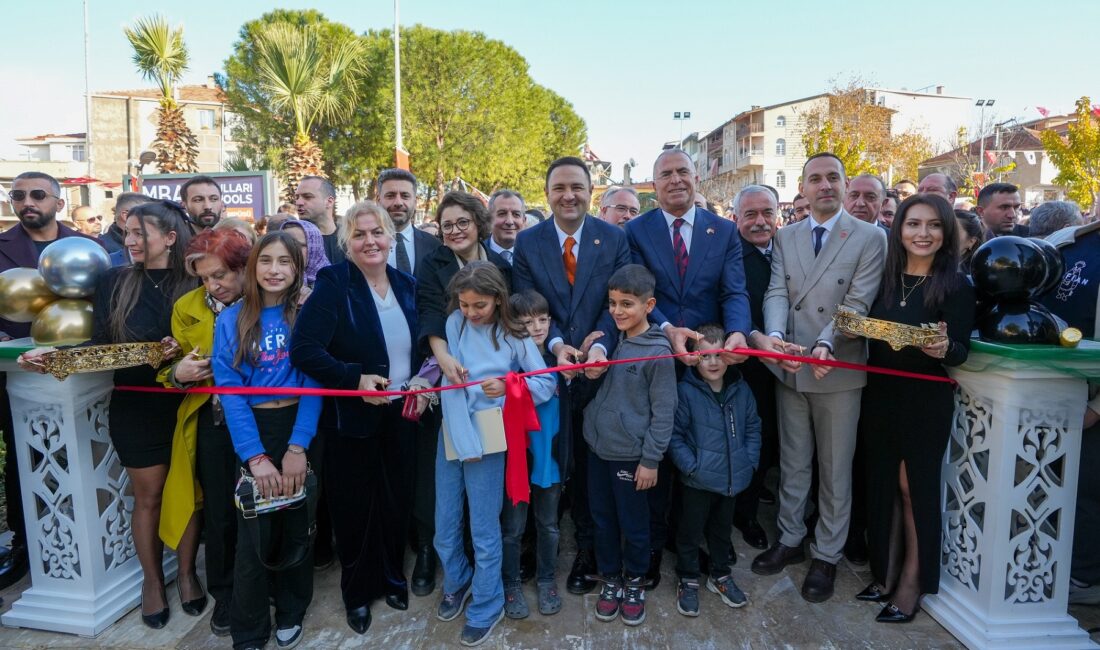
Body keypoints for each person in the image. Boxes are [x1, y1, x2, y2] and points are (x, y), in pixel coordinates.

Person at [20, 199, 199, 626]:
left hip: (188, 403)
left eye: (140, 233)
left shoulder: (195, 281)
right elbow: (101, 343)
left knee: (190, 494)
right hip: (135, 405)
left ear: (169, 238)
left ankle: (188, 573)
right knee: (148, 497)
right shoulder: (115, 281)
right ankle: (152, 582)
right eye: (127, 232)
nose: (129, 241)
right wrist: (55, 356)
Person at [751, 152, 887, 603]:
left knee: (834, 468)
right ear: (803, 188)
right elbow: (776, 291)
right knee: (793, 462)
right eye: (816, 179)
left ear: (845, 185)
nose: (825, 185)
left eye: (833, 178)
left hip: (837, 368)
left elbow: (858, 303)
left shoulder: (871, 237)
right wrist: (774, 338)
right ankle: (790, 538)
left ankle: (827, 553)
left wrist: (826, 344)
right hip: (790, 367)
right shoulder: (786, 234)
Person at [290, 201, 421, 635]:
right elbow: (304, 349)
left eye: (377, 232)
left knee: (395, 500)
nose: (370, 241)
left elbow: (421, 345)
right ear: (347, 242)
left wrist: (423, 382)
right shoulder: (335, 282)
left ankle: (393, 577)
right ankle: (358, 592)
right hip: (351, 418)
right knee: (354, 506)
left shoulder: (406, 284)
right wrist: (354, 378)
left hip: (402, 413)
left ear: (390, 238)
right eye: (360, 234)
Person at [625, 148, 751, 586]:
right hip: (658, 355)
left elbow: (734, 291)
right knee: (658, 454)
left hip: (708, 360)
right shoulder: (636, 230)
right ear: (653, 183)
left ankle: (702, 541)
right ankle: (656, 543)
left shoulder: (724, 230)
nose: (675, 180)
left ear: (697, 178)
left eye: (683, 171)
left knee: (704, 451)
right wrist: (665, 328)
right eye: (666, 174)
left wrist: (738, 333)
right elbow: (637, 291)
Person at [512, 156, 632, 596]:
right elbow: (528, 303)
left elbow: (617, 300)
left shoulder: (614, 238)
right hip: (548, 369)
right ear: (547, 194)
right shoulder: (528, 243)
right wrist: (558, 344)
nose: (568, 195)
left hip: (599, 372)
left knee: (588, 469)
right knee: (541, 460)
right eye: (559, 188)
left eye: (577, 187)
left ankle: (587, 550)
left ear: (590, 192)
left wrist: (600, 346)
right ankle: (531, 544)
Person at [857, 194, 974, 623]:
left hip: (925, 399)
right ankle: (884, 572)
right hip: (879, 394)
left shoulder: (958, 285)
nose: (922, 233)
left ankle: (912, 583)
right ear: (899, 230)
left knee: (913, 490)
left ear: (946, 233)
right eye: (913, 224)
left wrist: (944, 348)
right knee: (883, 484)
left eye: (933, 225)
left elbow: (960, 350)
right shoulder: (885, 278)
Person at [433, 261, 555, 647]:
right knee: (444, 524)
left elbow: (545, 384)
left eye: (479, 305)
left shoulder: (515, 334)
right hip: (452, 431)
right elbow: (447, 375)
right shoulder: (455, 323)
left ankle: (488, 603)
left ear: (498, 299)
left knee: (484, 528)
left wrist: (508, 386)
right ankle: (458, 581)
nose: (471, 312)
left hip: (488, 436)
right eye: (464, 304)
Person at [212, 231, 322, 650]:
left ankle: (292, 611)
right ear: (252, 266)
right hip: (253, 429)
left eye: (285, 262)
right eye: (266, 261)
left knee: (297, 524)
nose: (275, 270)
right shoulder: (232, 319)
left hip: (297, 427)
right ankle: (249, 628)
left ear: (298, 269)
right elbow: (230, 391)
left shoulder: (306, 315)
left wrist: (298, 448)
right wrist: (255, 457)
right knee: (254, 534)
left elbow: (314, 383)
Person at [0, 171, 102, 590]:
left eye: (38, 194)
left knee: (82, 458)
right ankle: (25, 543)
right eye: (18, 195)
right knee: (22, 460)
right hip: (18, 379)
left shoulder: (88, 247)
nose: (27, 202)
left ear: (59, 203)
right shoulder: (2, 246)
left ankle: (87, 538)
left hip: (83, 378)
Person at [415, 190, 510, 597]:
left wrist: (509, 382)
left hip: (491, 412)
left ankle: (488, 593)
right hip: (452, 397)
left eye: (462, 222)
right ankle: (457, 579)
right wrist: (443, 357)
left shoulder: (502, 265)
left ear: (478, 223)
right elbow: (429, 312)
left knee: (486, 517)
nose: (454, 231)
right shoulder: (433, 265)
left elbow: (516, 329)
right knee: (446, 513)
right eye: (446, 225)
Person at [159, 228, 252, 637]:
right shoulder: (186, 306)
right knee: (220, 515)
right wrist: (178, 374)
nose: (213, 285)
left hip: (262, 419)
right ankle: (225, 595)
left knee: (263, 508)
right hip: (213, 423)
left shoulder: (267, 297)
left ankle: (263, 586)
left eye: (220, 275)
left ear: (242, 267)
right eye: (204, 278)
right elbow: (170, 366)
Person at [582, 264, 676, 626]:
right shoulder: (612, 341)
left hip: (632, 457)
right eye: (612, 303)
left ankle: (635, 579)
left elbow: (664, 413)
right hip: (598, 450)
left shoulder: (658, 353)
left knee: (634, 524)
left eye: (626, 304)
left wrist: (651, 460)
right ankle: (610, 577)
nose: (617, 311)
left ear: (649, 305)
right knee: (602, 519)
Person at [668, 324, 761, 617]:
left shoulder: (741, 389)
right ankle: (688, 578)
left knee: (722, 530)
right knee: (690, 531)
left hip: (732, 479)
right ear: (693, 358)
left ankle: (720, 574)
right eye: (704, 356)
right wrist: (691, 467)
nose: (712, 362)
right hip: (698, 480)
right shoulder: (686, 391)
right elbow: (675, 436)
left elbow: (753, 427)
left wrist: (749, 461)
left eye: (718, 355)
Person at [500, 290, 570, 619]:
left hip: (550, 461)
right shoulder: (509, 365)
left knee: (549, 525)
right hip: (517, 459)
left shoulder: (560, 362)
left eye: (542, 320)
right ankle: (511, 583)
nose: (537, 327)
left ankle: (546, 579)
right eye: (528, 322)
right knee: (513, 528)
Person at [1043, 220, 1100, 605]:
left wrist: (1096, 408)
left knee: (1089, 490)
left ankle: (1084, 578)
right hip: (1051, 393)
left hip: (1091, 404)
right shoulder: (1068, 241)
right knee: (1057, 484)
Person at [728, 185, 782, 551]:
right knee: (752, 439)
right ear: (736, 219)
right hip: (748, 364)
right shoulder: (730, 254)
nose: (760, 222)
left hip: (792, 360)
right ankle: (744, 516)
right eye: (750, 215)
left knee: (776, 441)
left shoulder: (788, 249)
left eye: (767, 213)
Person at [377, 168, 441, 276]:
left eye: (405, 196)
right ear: (378, 201)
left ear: (415, 202)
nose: (398, 202)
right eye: (390, 196)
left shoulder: (434, 246)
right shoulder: (361, 246)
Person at [294, 175, 345, 264]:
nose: (299, 202)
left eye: (307, 197)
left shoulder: (349, 238)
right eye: (297, 197)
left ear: (329, 202)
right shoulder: (292, 239)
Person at [279, 218, 331, 294]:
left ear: (314, 248)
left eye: (297, 245)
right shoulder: (273, 277)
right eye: (283, 245)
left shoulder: (332, 281)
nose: (288, 249)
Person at [485, 189, 526, 265]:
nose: (509, 221)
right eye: (502, 214)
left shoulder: (536, 255)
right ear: (489, 219)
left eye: (516, 214)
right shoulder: (476, 253)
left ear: (524, 221)